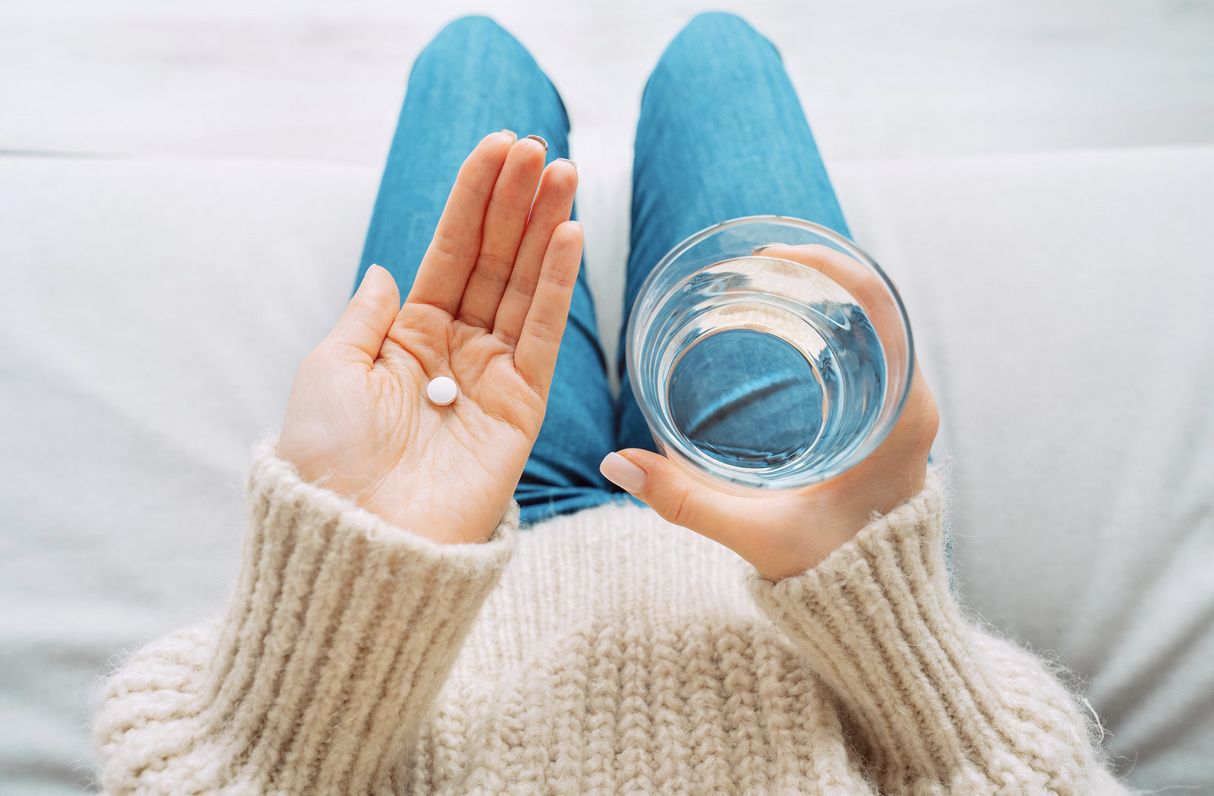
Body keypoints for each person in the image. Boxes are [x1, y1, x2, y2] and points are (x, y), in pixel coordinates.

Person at [91, 13, 1129, 794]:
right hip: (794, 562)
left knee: (471, 56)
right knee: (716, 55)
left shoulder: (394, 552)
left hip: (444, 572)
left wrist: (359, 566)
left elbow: (190, 764)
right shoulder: (832, 562)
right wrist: (877, 594)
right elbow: (1028, 769)